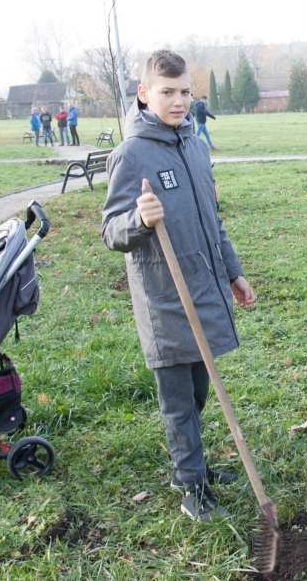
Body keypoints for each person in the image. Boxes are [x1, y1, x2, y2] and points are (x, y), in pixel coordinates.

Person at [102, 50, 256, 522]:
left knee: (198, 392)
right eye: (167, 92)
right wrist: (138, 219)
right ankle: (191, 486)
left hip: (204, 288)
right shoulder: (131, 155)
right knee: (178, 403)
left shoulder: (194, 146)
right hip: (166, 302)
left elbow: (213, 222)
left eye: (185, 91)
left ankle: (193, 467)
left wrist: (233, 271)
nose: (179, 101)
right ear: (145, 94)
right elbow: (111, 230)